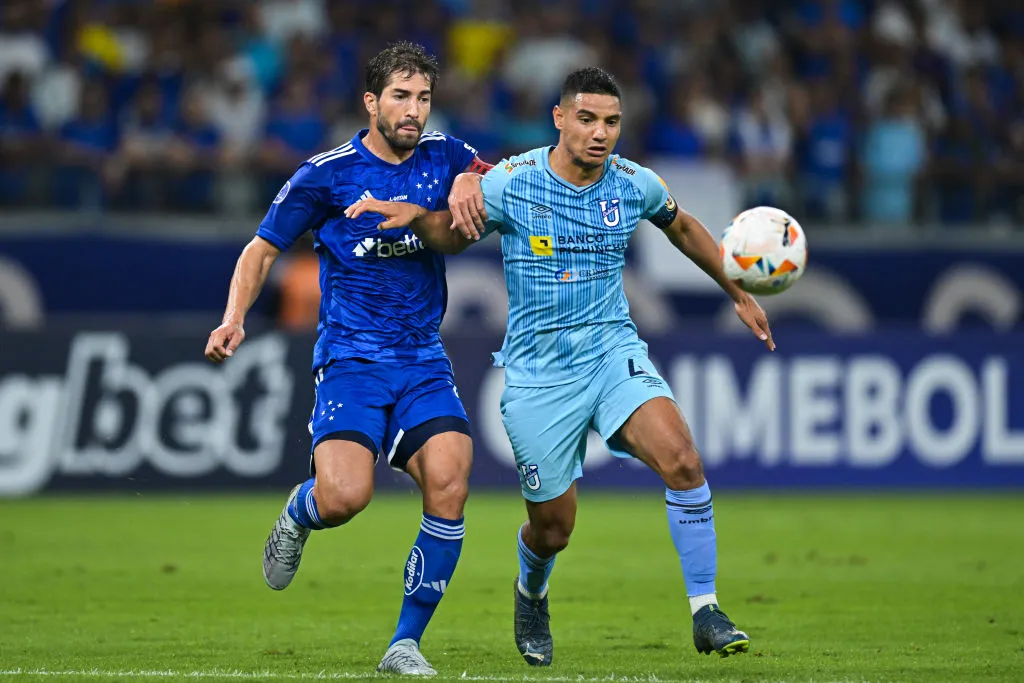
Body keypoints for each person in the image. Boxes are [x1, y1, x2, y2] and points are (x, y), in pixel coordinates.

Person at [345, 66, 774, 666]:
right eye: (588, 119)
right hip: (537, 376)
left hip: (611, 352)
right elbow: (453, 233)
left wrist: (737, 291)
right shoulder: (515, 182)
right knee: (554, 529)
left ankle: (706, 610)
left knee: (682, 459)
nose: (601, 133)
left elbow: (682, 226)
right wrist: (419, 215)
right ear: (560, 118)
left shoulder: (635, 183)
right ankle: (532, 588)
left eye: (612, 122)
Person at [204, 42, 492, 676]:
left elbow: (490, 179)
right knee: (343, 498)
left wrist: (474, 176)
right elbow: (261, 251)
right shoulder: (325, 174)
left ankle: (404, 643)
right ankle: (299, 513)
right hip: (352, 360)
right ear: (371, 101)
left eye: (422, 98)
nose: (413, 110)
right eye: (400, 97)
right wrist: (234, 318)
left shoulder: (444, 155)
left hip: (422, 359)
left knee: (450, 480)